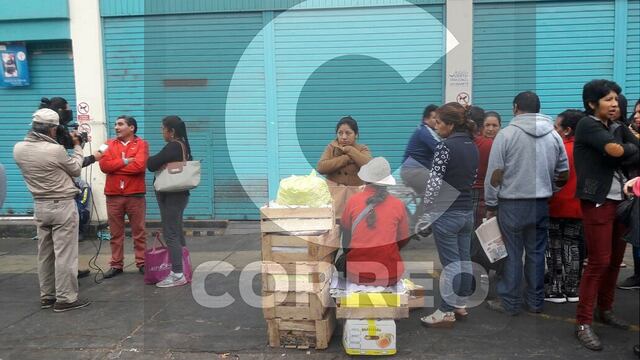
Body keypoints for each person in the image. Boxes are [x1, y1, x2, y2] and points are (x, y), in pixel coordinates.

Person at [484, 91, 569, 316]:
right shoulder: (553, 135)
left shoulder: (506, 135)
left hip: (511, 205)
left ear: (515, 108)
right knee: (536, 252)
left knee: (512, 253)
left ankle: (510, 302)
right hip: (540, 203)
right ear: (538, 109)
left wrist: (491, 203)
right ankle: (535, 302)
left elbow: (495, 174)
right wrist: (551, 191)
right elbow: (563, 172)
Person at [573, 79, 639, 351]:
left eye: (616, 99)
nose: (614, 104)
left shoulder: (618, 127)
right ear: (592, 103)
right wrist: (627, 149)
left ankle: (606, 309)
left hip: (621, 201)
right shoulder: (587, 124)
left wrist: (628, 149)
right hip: (597, 200)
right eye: (608, 99)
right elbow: (618, 150)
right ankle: (583, 322)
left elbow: (632, 151)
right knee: (598, 262)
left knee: (613, 261)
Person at [13, 109, 91, 312]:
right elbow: (74, 169)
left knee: (45, 254)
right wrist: (77, 146)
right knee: (65, 254)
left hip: (39, 205)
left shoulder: (18, 149)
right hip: (62, 205)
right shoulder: (54, 150)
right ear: (52, 128)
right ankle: (65, 298)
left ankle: (47, 296)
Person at [418, 103, 479, 327]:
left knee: (451, 265)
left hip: (447, 213)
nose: (436, 126)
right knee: (463, 261)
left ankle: (445, 310)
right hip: (466, 212)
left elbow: (434, 184)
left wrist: (425, 212)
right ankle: (460, 304)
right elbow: (472, 179)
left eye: (440, 122)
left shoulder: (445, 147)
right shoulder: (472, 145)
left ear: (451, 124)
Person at [341, 157, 409, 287]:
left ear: (365, 179)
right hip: (390, 275)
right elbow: (403, 240)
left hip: (357, 274)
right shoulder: (398, 205)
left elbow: (346, 237)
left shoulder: (353, 201)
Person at [99, 115, 149, 278]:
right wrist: (127, 161)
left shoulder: (142, 144)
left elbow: (140, 167)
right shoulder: (107, 144)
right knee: (115, 232)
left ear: (132, 127)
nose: (116, 127)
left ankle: (142, 262)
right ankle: (116, 264)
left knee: (139, 231)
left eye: (120, 124)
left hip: (135, 194)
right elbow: (104, 166)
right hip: (114, 195)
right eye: (115, 124)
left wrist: (116, 166)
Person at [544, 110, 585, 304]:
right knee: (573, 246)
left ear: (567, 130)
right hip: (578, 207)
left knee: (554, 246)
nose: (554, 130)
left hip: (556, 205)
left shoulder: (559, 150)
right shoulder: (585, 151)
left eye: (557, 127)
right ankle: (572, 288)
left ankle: (555, 288)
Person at [147, 116, 192, 288]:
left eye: (163, 129)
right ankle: (183, 267)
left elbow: (151, 163)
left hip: (172, 195)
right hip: (179, 195)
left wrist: (156, 162)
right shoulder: (183, 145)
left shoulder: (174, 145)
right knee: (177, 231)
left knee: (171, 233)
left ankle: (177, 273)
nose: (161, 132)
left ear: (171, 131)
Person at [317, 116, 372, 217]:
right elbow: (321, 167)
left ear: (356, 134)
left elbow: (369, 166)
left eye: (348, 133)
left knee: (354, 225)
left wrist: (350, 150)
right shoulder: (331, 148)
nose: (344, 137)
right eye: (340, 133)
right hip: (335, 196)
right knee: (334, 227)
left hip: (355, 196)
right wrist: (346, 158)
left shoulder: (362, 149)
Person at [470, 111, 501, 273]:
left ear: (500, 127)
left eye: (494, 125)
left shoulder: (502, 144)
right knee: (481, 238)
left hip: (494, 196)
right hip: (481, 195)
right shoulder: (482, 145)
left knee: (492, 239)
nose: (490, 129)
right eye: (487, 125)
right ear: (481, 127)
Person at [618, 98, 640, 290]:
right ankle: (638, 275)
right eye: (637, 112)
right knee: (636, 234)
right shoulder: (628, 131)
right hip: (633, 191)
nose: (637, 116)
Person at [400, 105, 441, 197]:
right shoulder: (425, 131)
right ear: (426, 119)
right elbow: (441, 150)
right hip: (414, 171)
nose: (437, 121)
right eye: (434, 118)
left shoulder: (424, 130)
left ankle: (422, 209)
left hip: (413, 171)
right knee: (444, 186)